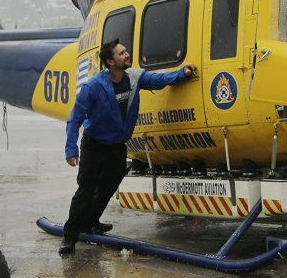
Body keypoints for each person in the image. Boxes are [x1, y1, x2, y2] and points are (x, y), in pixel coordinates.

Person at [59, 39, 197, 255]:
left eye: (126, 52)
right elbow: (74, 119)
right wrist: (70, 150)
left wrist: (182, 74)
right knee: (86, 189)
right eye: (122, 53)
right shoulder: (93, 87)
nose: (127, 55)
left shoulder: (134, 78)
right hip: (94, 145)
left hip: (116, 146)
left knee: (108, 185)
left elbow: (159, 80)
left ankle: (92, 221)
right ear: (110, 61)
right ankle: (70, 236)